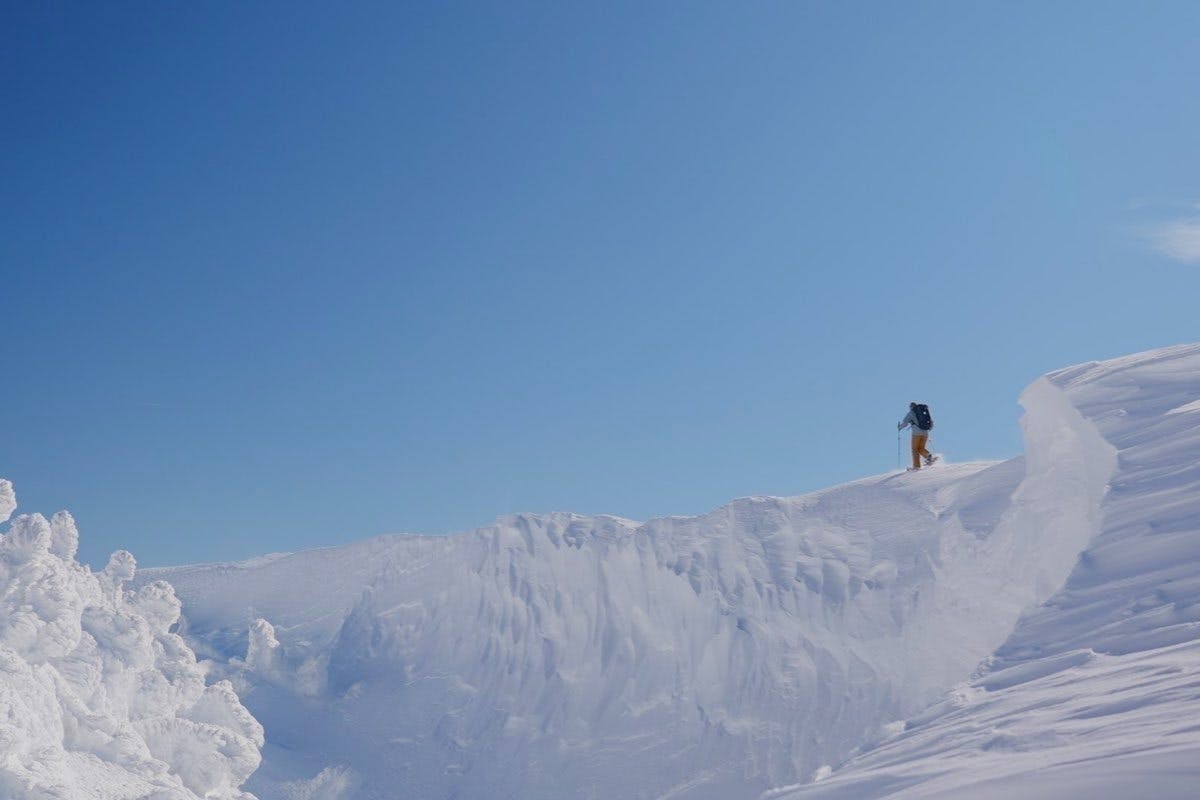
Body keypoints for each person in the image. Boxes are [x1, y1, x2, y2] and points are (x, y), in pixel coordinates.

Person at [898, 402, 936, 470]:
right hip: (925, 433)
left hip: (916, 434)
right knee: (921, 448)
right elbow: (931, 422)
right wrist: (929, 429)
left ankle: (916, 466)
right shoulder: (924, 412)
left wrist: (899, 427)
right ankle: (928, 456)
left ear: (911, 407)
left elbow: (905, 423)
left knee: (915, 449)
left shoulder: (911, 413)